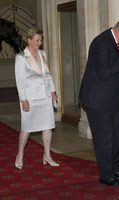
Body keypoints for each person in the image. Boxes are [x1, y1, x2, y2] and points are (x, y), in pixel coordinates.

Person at [79, 18, 119, 186]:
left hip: (112, 99)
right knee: (105, 138)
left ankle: (115, 169)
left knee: (118, 134)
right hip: (98, 100)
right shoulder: (101, 44)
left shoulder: (116, 41)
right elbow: (104, 73)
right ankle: (106, 175)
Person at [14, 27, 59, 170]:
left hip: (45, 96)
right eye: (36, 40)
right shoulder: (21, 57)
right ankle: (20, 154)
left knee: (47, 127)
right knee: (26, 128)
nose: (39, 43)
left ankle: (47, 155)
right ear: (28, 40)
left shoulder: (42, 54)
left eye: (40, 40)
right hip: (30, 98)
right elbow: (20, 81)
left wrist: (52, 90)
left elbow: (47, 74)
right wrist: (23, 99)